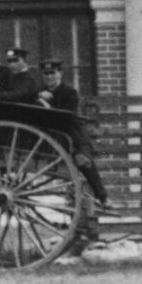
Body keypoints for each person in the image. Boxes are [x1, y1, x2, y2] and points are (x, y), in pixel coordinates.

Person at [37, 59, 110, 207]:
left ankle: (103, 197)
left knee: (84, 161)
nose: (49, 77)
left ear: (60, 74)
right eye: (46, 74)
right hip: (53, 138)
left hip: (73, 135)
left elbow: (64, 117)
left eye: (53, 73)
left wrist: (45, 103)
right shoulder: (39, 92)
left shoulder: (70, 93)